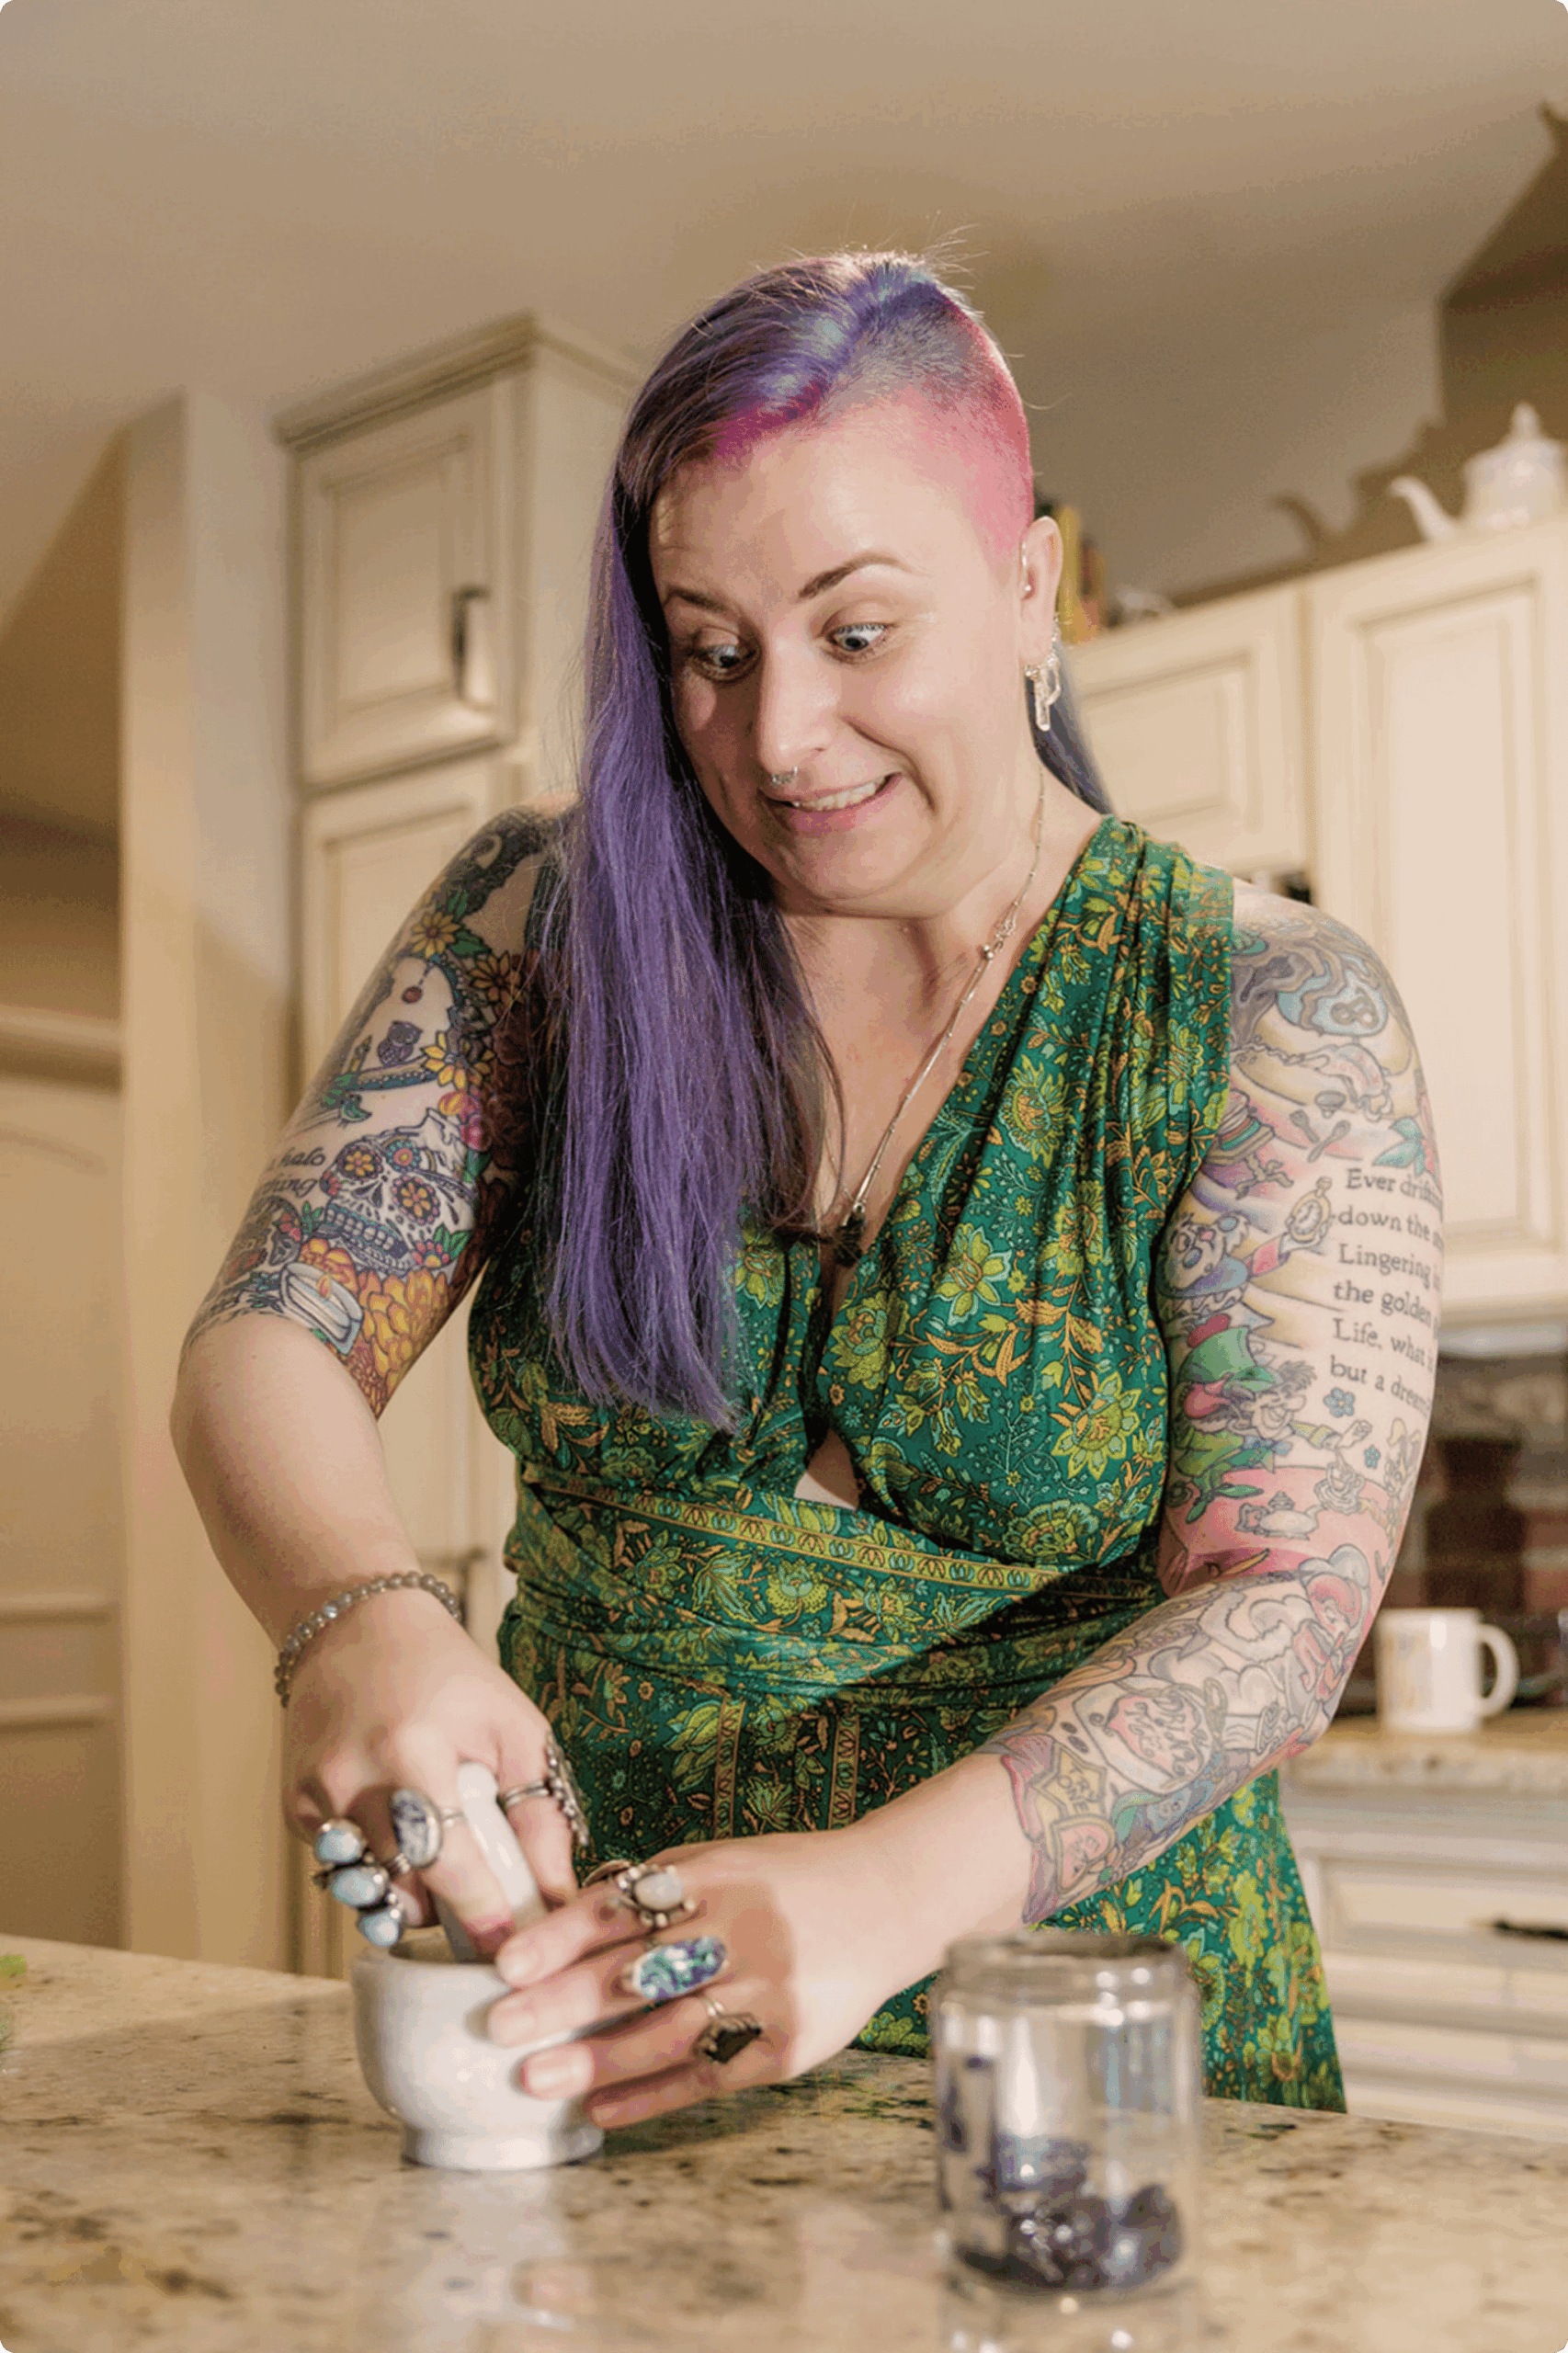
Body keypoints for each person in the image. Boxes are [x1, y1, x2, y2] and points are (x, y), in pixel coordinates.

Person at [172, 251, 1441, 2131]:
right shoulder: (547, 923)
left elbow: (1279, 1607)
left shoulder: (1259, 1003)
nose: (773, 738)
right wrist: (355, 1613)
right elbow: (275, 1327)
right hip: (588, 2020)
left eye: (856, 633)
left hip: (1072, 2038)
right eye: (710, 647)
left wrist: (878, 1896)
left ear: (1028, 593)